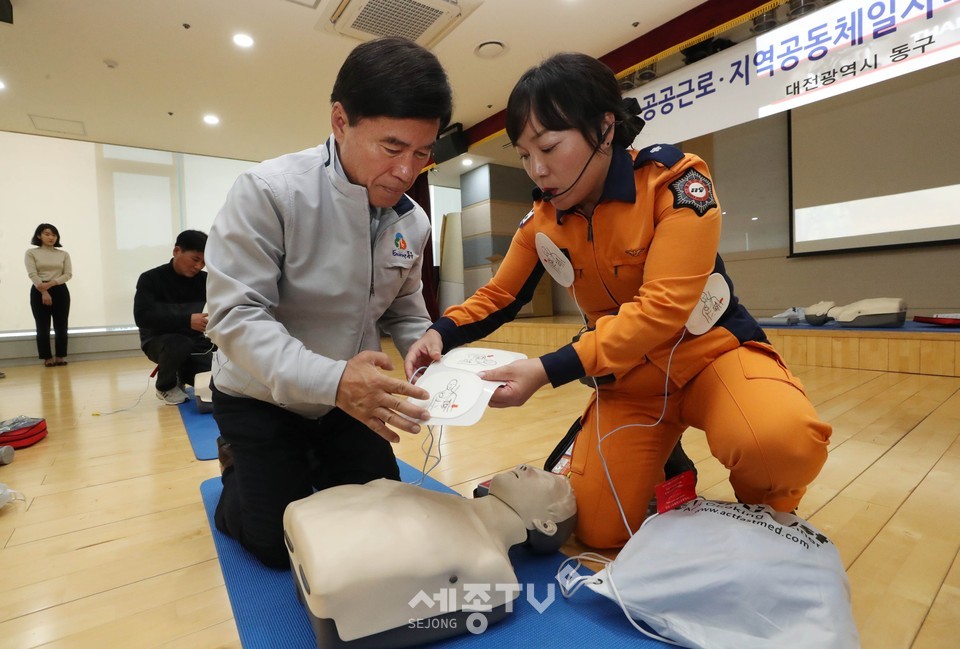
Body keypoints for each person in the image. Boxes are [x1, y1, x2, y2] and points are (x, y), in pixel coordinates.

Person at [405, 53, 832, 550]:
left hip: (711, 357)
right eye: (524, 154)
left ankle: (771, 511)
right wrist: (440, 332)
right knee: (598, 530)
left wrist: (548, 369)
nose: (537, 169)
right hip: (629, 383)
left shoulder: (674, 184)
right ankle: (666, 466)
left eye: (548, 146)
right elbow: (500, 295)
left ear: (605, 130)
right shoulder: (542, 220)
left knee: (778, 444)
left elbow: (662, 308)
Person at [204, 37, 453, 568]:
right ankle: (236, 467)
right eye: (392, 148)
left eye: (422, 153)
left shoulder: (412, 220)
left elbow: (405, 309)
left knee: (380, 515)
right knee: (275, 544)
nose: (408, 171)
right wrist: (335, 382)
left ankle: (303, 461)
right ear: (340, 121)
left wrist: (428, 354)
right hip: (259, 395)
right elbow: (235, 316)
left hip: (348, 400)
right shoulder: (268, 192)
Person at [284, 465, 576, 644]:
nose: (528, 468)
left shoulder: (491, 569)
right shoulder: (446, 506)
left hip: (330, 572)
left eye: (547, 480)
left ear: (546, 525)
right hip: (320, 538)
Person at [134, 229, 213, 405]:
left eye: (204, 262)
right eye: (195, 259)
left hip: (194, 342)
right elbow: (142, 317)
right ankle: (165, 386)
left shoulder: (206, 280)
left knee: (216, 376)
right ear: (177, 251)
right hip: (158, 341)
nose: (199, 266)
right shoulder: (150, 279)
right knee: (179, 344)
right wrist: (186, 320)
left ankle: (181, 373)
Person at [25, 223, 72, 367]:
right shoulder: (31, 253)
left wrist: (51, 284)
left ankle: (60, 356)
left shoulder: (63, 254)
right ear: (39, 236)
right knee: (43, 326)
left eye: (53, 234)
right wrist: (44, 291)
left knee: (61, 325)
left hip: (60, 289)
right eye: (47, 234)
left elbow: (68, 274)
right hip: (39, 290)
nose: (51, 237)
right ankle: (47, 358)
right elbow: (32, 274)